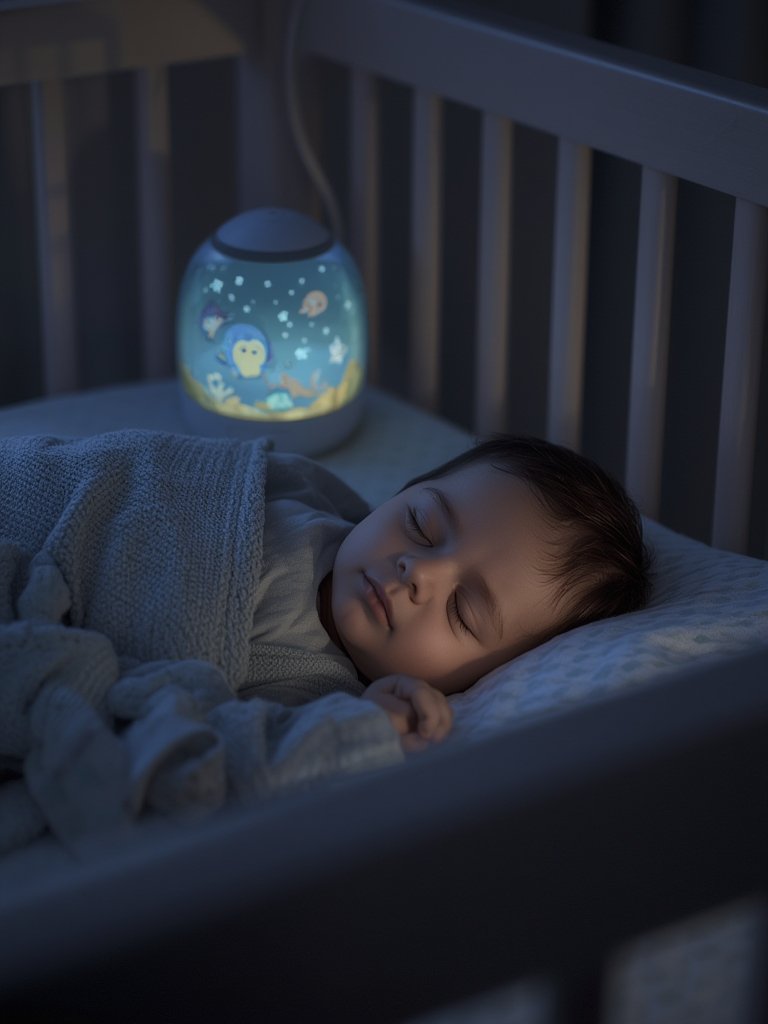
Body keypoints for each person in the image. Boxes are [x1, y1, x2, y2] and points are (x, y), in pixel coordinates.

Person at [278, 434, 652, 752]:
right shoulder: (288, 487)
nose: (418, 572)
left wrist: (356, 729)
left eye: (461, 611)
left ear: (482, 678)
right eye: (420, 525)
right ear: (402, 492)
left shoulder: (310, 711)